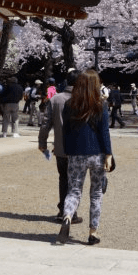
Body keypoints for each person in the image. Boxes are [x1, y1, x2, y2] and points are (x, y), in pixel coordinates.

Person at [57, 69, 113, 245]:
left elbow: (65, 131)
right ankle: (92, 232)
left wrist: (67, 150)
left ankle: (67, 216)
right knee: (96, 192)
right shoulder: (100, 104)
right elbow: (104, 132)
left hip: (75, 154)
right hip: (96, 153)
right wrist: (109, 154)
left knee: (73, 190)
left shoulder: (70, 104)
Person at [37, 71, 83, 225]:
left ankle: (63, 209)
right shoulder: (83, 99)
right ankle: (71, 212)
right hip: (79, 149)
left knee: (63, 178)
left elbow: (46, 123)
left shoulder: (55, 99)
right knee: (75, 181)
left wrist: (42, 142)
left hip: (60, 147)